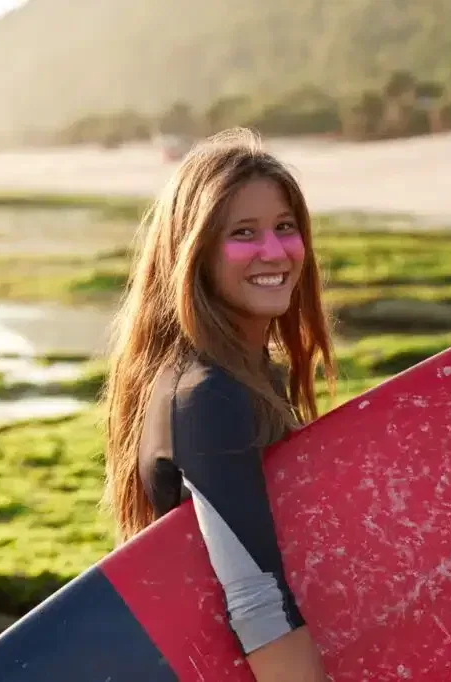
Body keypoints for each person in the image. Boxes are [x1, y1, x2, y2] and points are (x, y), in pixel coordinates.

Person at [101, 127, 337, 681]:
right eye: (243, 233)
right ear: (195, 253)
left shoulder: (240, 375)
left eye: (284, 228)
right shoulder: (209, 396)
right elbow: (256, 602)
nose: (274, 251)